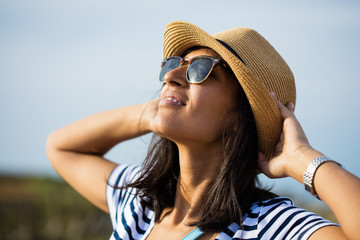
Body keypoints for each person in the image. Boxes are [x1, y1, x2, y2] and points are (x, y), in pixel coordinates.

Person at [46, 21, 360, 240]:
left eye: (200, 70)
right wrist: (156, 111)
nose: (172, 76)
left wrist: (303, 158)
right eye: (173, 65)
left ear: (242, 114)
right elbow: (61, 147)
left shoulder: (268, 226)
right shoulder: (139, 206)